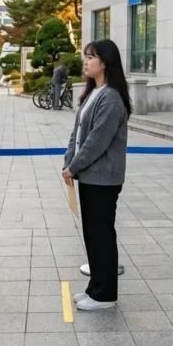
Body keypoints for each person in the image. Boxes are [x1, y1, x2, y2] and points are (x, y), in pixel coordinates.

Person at [63, 40, 131, 311]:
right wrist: (69, 161)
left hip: (103, 177)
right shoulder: (94, 92)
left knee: (102, 234)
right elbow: (78, 133)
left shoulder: (111, 97)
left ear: (105, 62)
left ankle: (105, 295)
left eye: (90, 57)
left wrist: (74, 166)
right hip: (89, 175)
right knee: (92, 233)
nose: (86, 61)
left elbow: (96, 141)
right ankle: (94, 289)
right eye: (86, 56)